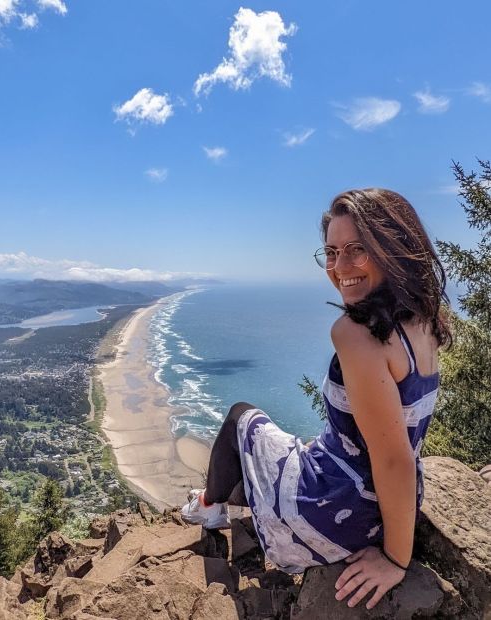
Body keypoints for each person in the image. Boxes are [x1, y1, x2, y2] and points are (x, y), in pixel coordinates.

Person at [180, 188, 451, 611]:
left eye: (357, 250)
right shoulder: (427, 320)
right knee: (274, 448)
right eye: (331, 252)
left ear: (391, 247)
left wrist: (397, 560)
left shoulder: (356, 335)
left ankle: (207, 507)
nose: (340, 267)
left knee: (241, 418)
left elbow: (392, 458)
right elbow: (400, 435)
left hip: (335, 510)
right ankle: (224, 500)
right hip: (389, 504)